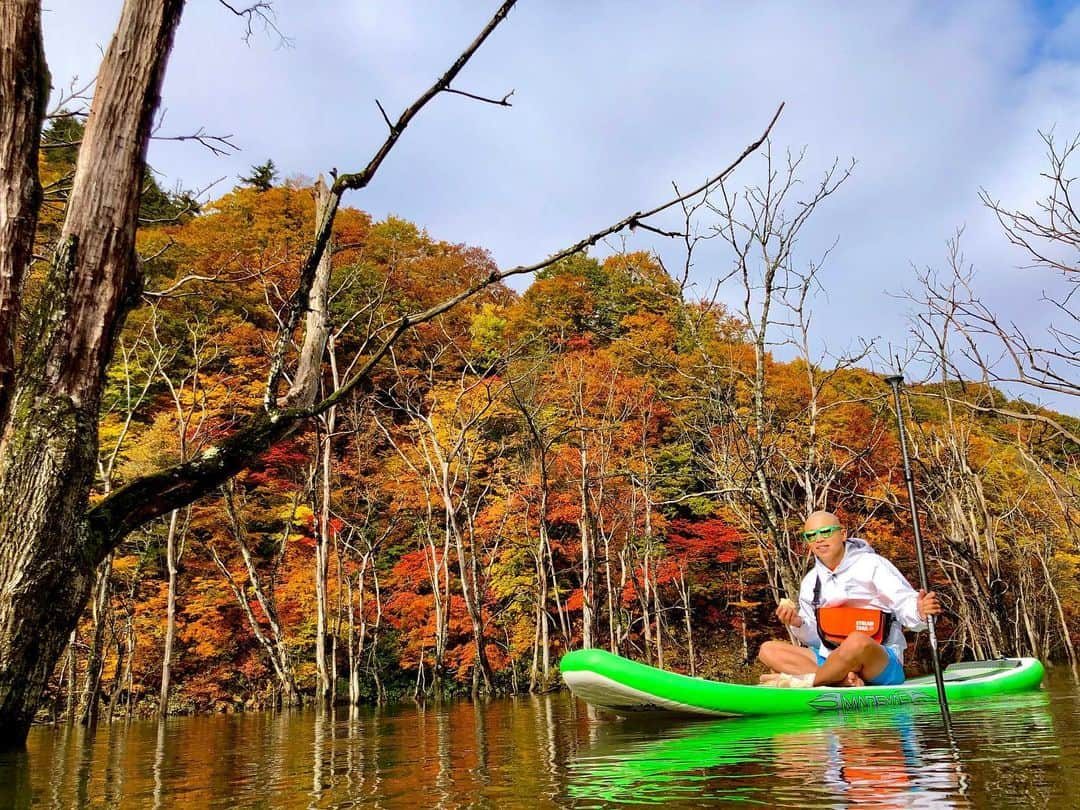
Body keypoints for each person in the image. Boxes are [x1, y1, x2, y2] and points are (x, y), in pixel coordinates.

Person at [758, 510, 942, 688]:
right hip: (832, 658)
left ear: (843, 534)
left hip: (877, 658)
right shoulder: (811, 582)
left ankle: (808, 682)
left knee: (856, 641)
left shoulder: (873, 565)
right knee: (768, 650)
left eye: (825, 532)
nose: (819, 539)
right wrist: (797, 623)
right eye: (811, 536)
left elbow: (905, 603)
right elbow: (816, 638)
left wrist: (920, 611)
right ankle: (841, 681)